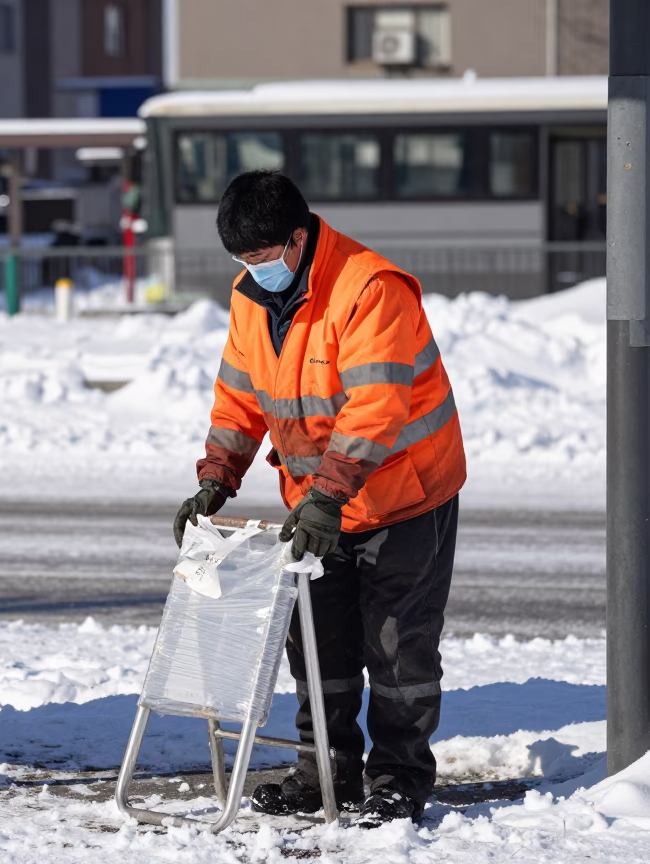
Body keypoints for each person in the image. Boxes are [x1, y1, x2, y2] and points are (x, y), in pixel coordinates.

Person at [173, 170, 466, 829]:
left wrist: (328, 496)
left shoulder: (370, 288)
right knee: (315, 641)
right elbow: (240, 397)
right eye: (240, 261)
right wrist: (218, 475)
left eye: (261, 257)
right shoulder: (253, 295)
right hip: (319, 500)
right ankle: (323, 773)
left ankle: (398, 781)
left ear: (298, 241)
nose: (251, 272)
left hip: (404, 495)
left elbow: (375, 409)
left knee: (396, 647)